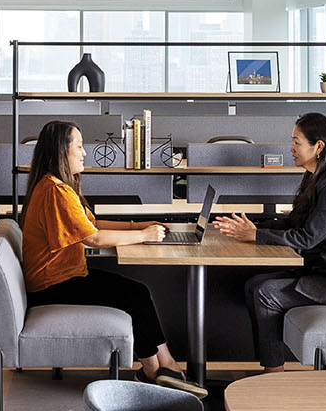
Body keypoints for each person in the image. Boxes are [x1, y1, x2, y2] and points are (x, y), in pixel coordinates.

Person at [21, 120, 205, 396]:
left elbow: (91, 224)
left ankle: (161, 367)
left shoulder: (57, 186)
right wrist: (144, 236)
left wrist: (137, 227)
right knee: (134, 294)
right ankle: (158, 370)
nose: (84, 153)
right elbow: (93, 239)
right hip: (52, 284)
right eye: (79, 146)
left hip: (64, 276)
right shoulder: (55, 191)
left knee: (136, 292)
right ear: (61, 151)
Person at [213, 112, 326, 372]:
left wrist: (255, 236)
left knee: (265, 293)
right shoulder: (316, 176)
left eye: (297, 142)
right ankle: (270, 365)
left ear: (318, 147)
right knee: (253, 285)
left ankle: (273, 375)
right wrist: (251, 229)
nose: (290, 148)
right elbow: (295, 222)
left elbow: (306, 238)